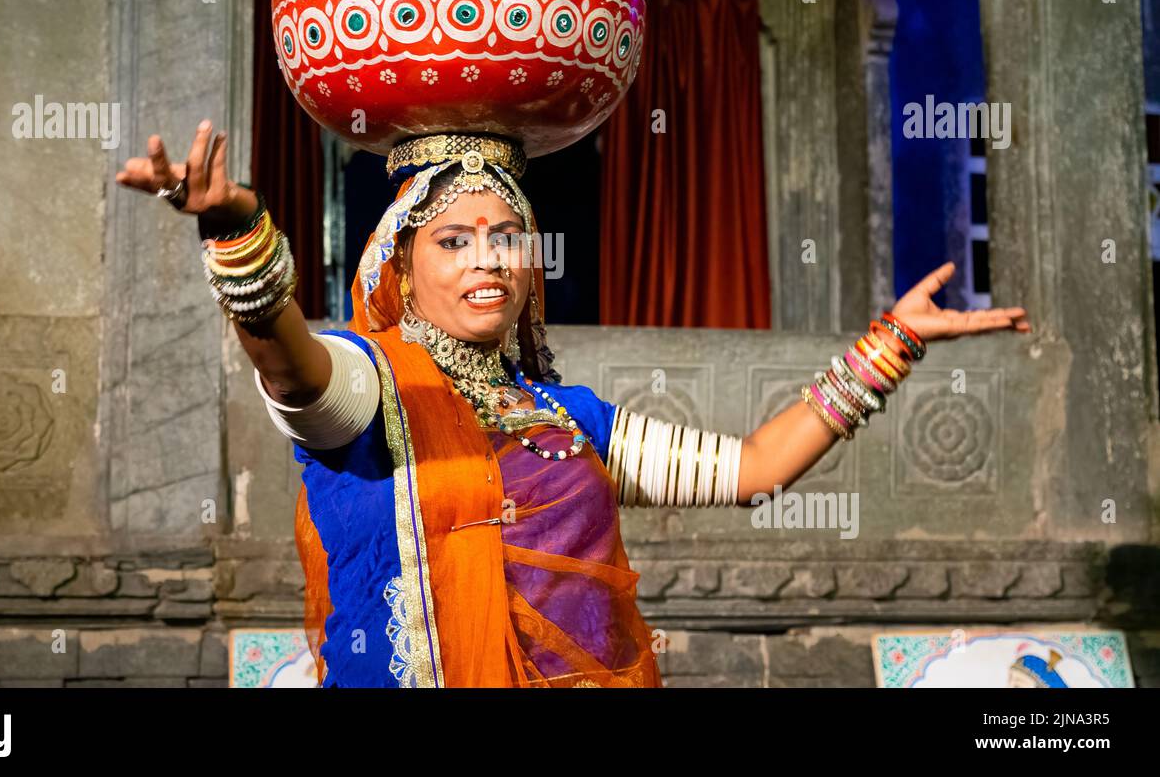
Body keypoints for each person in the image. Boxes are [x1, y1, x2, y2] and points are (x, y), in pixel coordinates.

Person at [116, 122, 1031, 687]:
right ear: (402, 267)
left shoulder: (564, 419)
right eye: (456, 240)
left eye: (509, 237)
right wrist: (236, 233)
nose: (489, 259)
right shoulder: (369, 385)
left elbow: (754, 470)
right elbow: (290, 367)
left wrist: (891, 345)